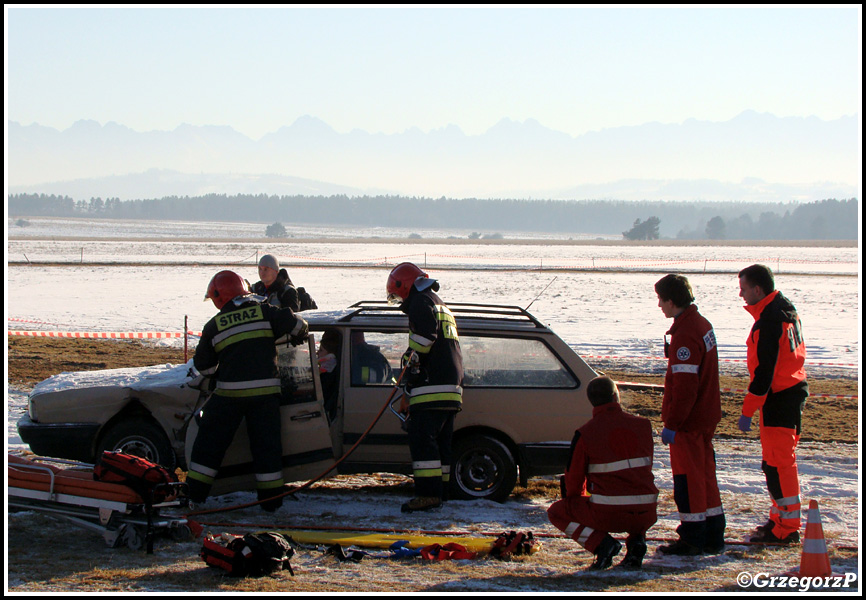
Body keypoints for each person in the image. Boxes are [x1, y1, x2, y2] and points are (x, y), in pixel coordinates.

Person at [187, 270, 309, 512]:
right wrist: (294, 335)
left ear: (219, 298)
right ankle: (271, 502)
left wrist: (225, 373)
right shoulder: (266, 312)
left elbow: (205, 367)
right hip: (265, 398)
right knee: (267, 450)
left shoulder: (214, 326)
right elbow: (299, 326)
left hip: (228, 397)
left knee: (209, 446)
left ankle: (194, 495)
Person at [547, 376, 659, 570]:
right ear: (616, 396)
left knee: (556, 512)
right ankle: (637, 542)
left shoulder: (586, 433)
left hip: (608, 514)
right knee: (635, 496)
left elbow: (574, 479)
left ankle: (602, 544)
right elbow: (642, 469)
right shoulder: (643, 426)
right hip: (647, 511)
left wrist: (576, 503)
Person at [654, 274, 726, 555]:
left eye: (661, 300)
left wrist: (672, 423)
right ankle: (712, 532)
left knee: (688, 479)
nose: (659, 305)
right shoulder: (702, 324)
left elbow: (685, 388)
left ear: (672, 301)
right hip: (705, 416)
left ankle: (693, 536)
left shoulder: (686, 334)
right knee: (706, 476)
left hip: (689, 422)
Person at [737, 264, 808, 545]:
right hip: (790, 392)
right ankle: (779, 518)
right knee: (773, 464)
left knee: (779, 465)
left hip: (779, 398)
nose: (741, 295)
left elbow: (764, 374)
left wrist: (747, 410)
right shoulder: (784, 309)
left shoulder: (770, 320)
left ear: (758, 289)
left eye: (743, 289)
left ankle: (787, 527)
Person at [386, 262, 463, 513]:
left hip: (432, 384)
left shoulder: (420, 302)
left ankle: (427, 495)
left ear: (405, 286)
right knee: (441, 443)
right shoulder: (439, 303)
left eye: (398, 295)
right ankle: (442, 492)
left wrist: (410, 365)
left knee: (422, 439)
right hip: (451, 385)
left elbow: (424, 339)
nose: (398, 302)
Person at [251, 254, 318, 312]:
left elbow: (291, 319)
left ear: (275, 271)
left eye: (266, 269)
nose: (262, 273)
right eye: (260, 269)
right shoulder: (256, 289)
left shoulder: (287, 291)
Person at [317, 329, 342, 421]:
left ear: (330, 356)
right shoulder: (331, 370)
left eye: (321, 350)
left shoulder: (328, 373)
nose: (317, 353)